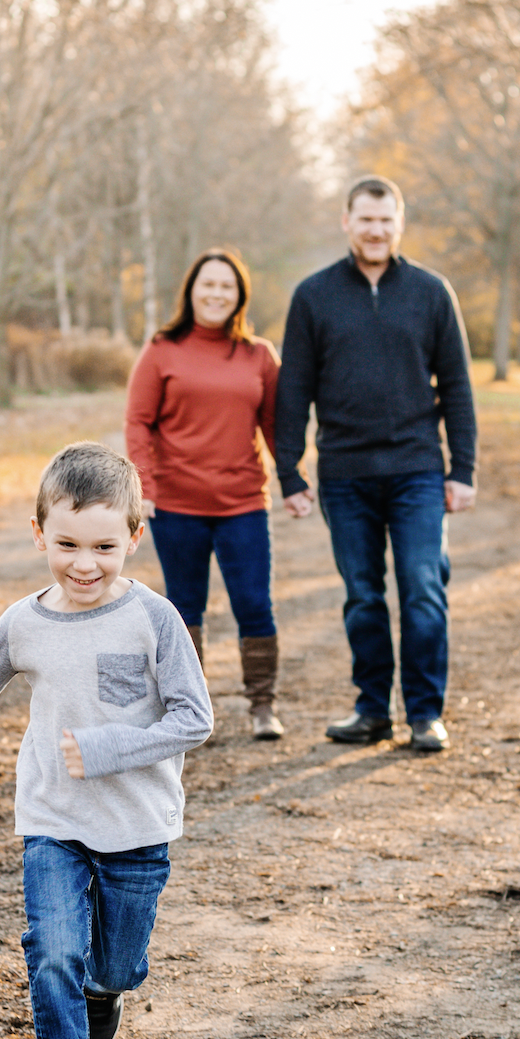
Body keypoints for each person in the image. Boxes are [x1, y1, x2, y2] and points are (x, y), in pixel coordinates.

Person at [0, 442, 212, 1039]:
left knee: (111, 964)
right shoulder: (25, 621)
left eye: (106, 546)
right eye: (67, 544)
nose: (85, 564)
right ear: (39, 534)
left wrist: (111, 746)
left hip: (138, 827)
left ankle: (106, 991)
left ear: (135, 537)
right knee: (53, 950)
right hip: (53, 820)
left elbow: (195, 718)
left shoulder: (154, 620)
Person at [273, 175, 478, 754]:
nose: (376, 230)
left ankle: (424, 714)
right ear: (347, 222)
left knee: (421, 586)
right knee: (363, 594)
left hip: (416, 469)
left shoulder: (431, 292)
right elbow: (294, 390)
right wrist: (289, 471)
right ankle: (371, 710)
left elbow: (458, 387)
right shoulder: (313, 296)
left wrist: (462, 470)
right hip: (344, 473)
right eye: (365, 219)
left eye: (386, 220)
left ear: (400, 224)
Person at [124, 249, 287, 740]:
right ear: (191, 292)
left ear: (239, 296)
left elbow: (277, 426)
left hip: (242, 504)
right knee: (183, 609)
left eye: (226, 287)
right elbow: (139, 422)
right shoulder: (161, 350)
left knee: (255, 604)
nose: (216, 294)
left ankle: (263, 706)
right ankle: (190, 711)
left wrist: (295, 481)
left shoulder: (259, 355)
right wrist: (143, 487)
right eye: (207, 285)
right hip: (176, 506)